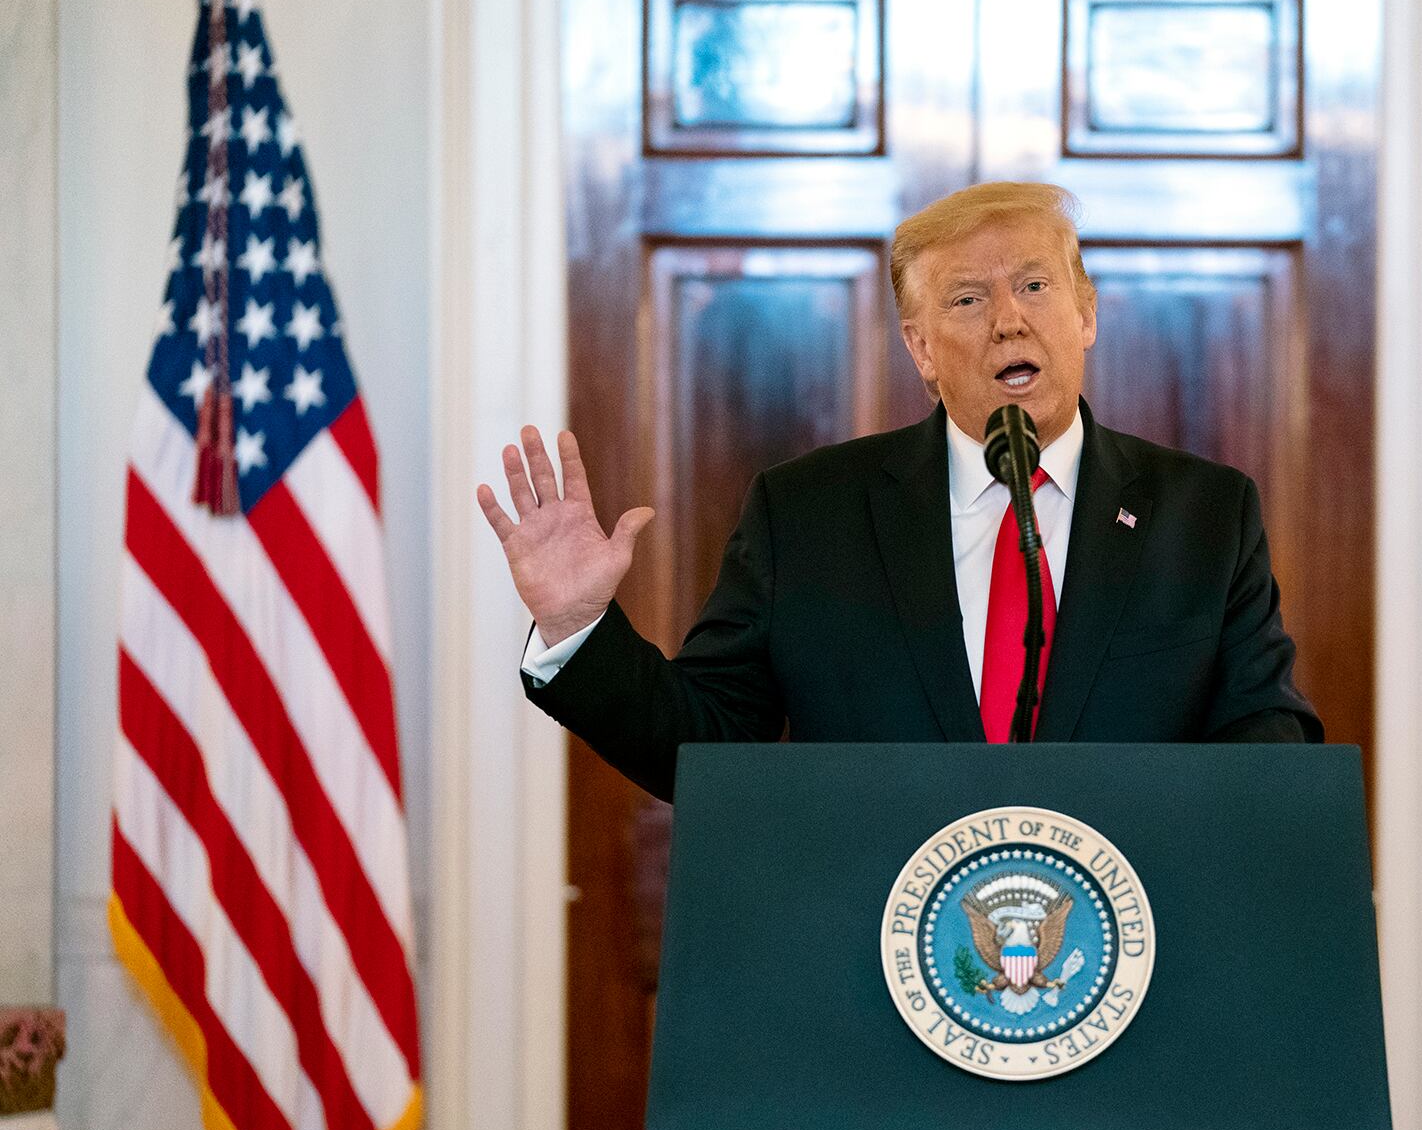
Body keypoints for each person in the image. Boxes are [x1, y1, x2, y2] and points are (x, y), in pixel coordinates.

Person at [476, 182, 1321, 802]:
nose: (1009, 321)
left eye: (1034, 286)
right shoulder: (808, 515)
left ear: (1086, 312)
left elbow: (1265, 747)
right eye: (967, 299)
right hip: (872, 982)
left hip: (1123, 980)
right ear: (919, 348)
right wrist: (576, 626)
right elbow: (708, 747)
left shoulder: (1204, 515)